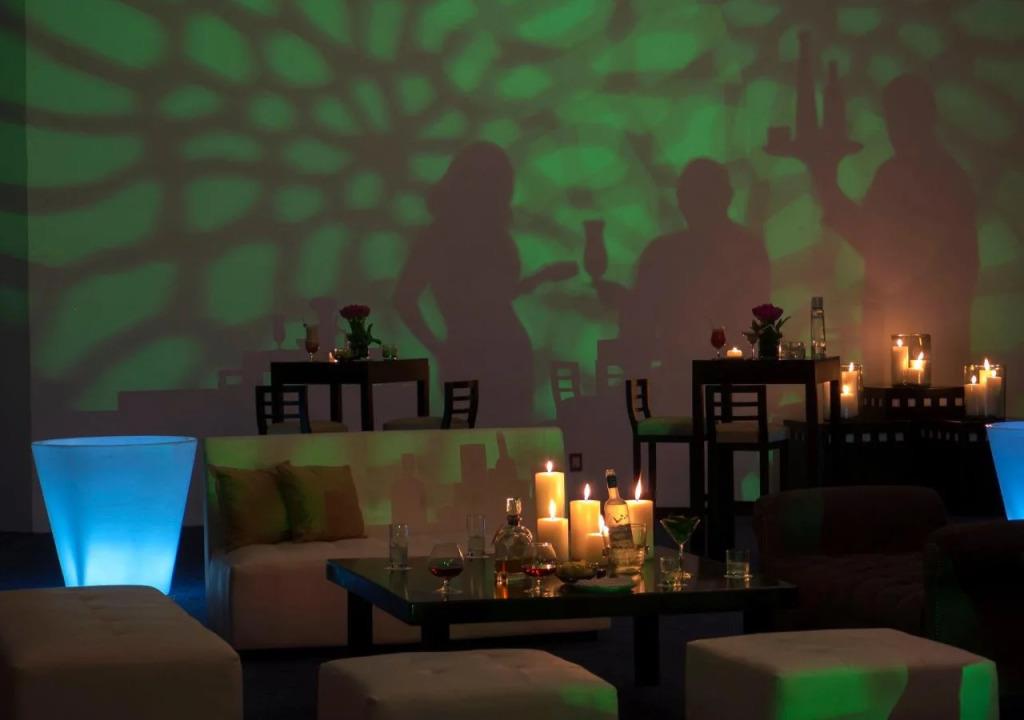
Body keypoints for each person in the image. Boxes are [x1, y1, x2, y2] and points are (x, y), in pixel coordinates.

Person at [803, 75, 977, 383]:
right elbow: (870, 238)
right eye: (892, 119)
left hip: (933, 339)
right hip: (890, 329)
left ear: (927, 117)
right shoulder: (891, 174)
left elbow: (895, 258)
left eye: (905, 117)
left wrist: (829, 189)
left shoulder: (945, 181)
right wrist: (826, 184)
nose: (896, 129)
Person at [395, 142, 576, 425]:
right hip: (473, 356)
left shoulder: (478, 233)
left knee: (505, 437)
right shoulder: (441, 236)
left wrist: (540, 277)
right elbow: (405, 298)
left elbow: (490, 297)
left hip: (501, 354)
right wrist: (440, 349)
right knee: (485, 439)